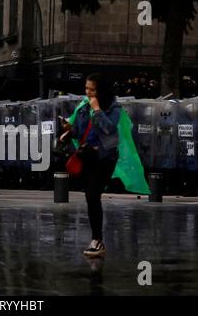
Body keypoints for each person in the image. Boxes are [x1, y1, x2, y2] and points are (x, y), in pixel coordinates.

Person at [61, 73, 121, 258]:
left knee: (93, 194)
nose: (88, 93)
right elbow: (81, 132)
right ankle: (96, 239)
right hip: (88, 156)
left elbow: (109, 129)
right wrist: (69, 130)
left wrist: (97, 110)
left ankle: (98, 240)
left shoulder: (113, 107)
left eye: (92, 89)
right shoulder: (83, 107)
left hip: (105, 157)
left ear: (101, 90)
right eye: (86, 89)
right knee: (91, 197)